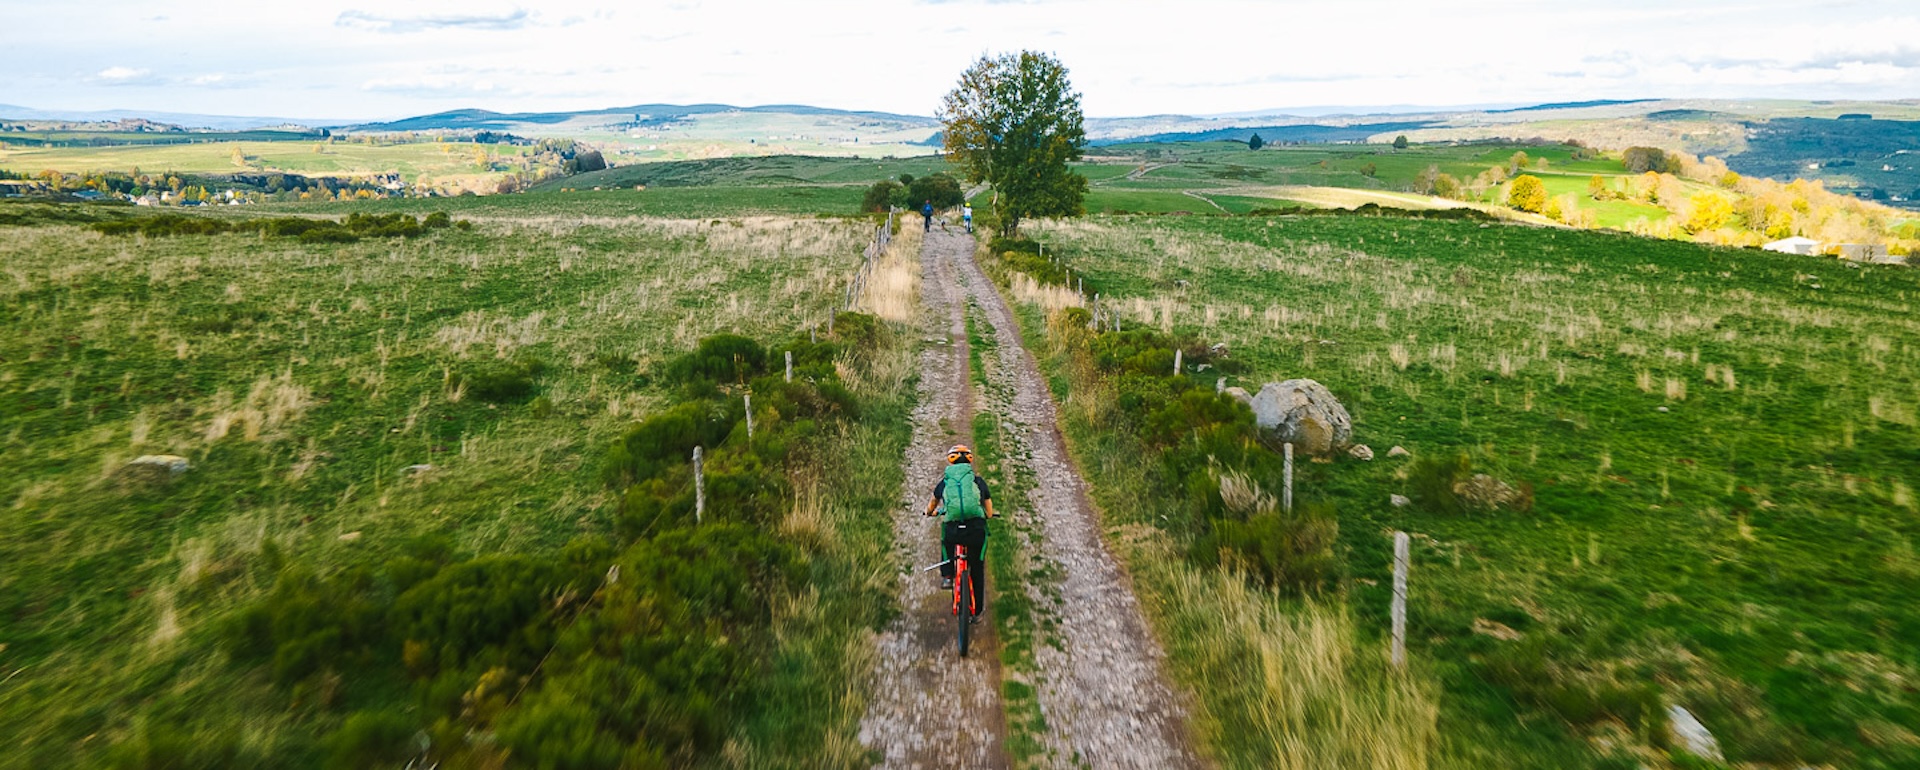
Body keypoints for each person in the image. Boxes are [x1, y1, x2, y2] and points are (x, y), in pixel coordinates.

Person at [924, 444, 994, 617]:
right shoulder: (978, 482)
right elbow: (989, 513)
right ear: (969, 461)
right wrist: (984, 514)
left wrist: (930, 512)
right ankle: (976, 611)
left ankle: (947, 575)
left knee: (946, 540)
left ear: (951, 461)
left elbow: (932, 504)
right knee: (977, 568)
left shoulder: (945, 482)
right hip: (976, 531)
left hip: (954, 530)